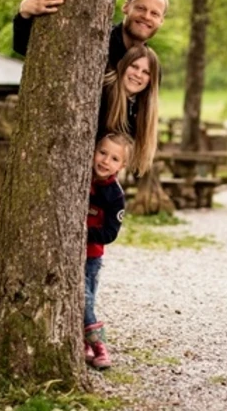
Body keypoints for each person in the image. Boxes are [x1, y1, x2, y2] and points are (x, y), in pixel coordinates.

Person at [12, 0, 168, 74]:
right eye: (140, 8)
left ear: (161, 21)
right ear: (126, 7)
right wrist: (25, 11)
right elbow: (29, 49)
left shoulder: (150, 66)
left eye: (155, 14)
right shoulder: (96, 39)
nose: (146, 16)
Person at [83, 132, 134, 370]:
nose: (105, 161)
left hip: (91, 256)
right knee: (82, 301)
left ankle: (97, 344)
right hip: (72, 255)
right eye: (102, 153)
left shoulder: (115, 195)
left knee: (85, 302)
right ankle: (90, 346)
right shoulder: (81, 176)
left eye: (114, 158)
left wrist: (81, 235)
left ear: (122, 166)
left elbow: (110, 233)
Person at [98, 44, 160, 176]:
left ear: (151, 80)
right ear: (122, 65)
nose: (138, 74)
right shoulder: (104, 93)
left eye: (146, 72)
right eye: (134, 66)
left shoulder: (140, 107)